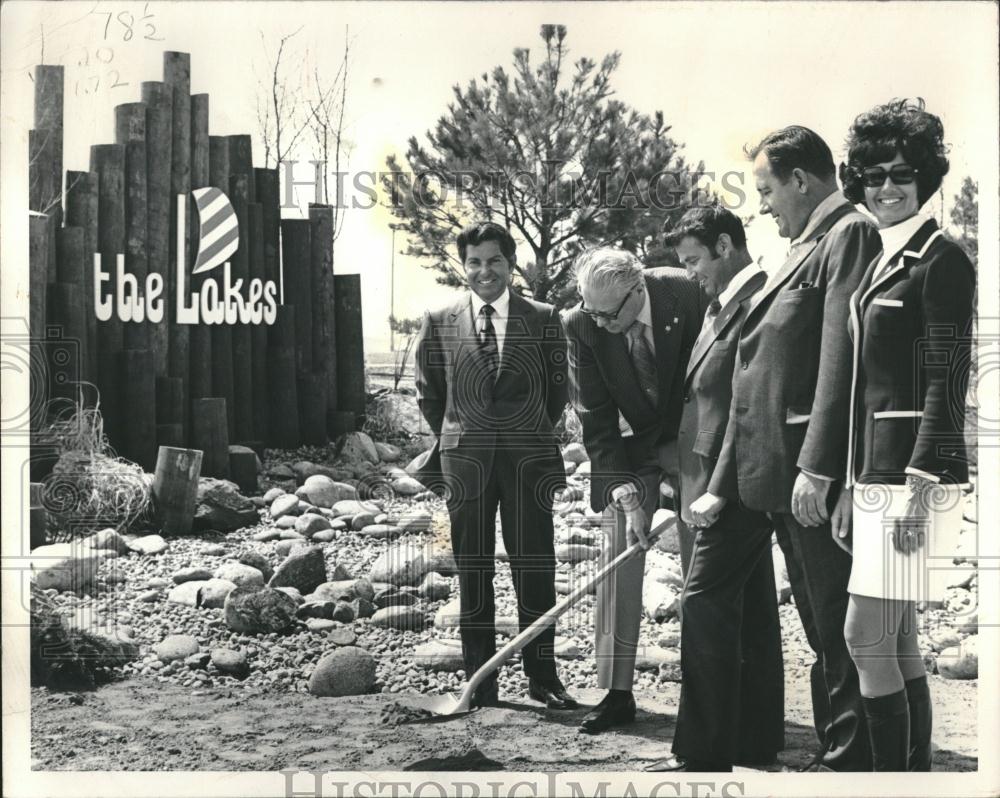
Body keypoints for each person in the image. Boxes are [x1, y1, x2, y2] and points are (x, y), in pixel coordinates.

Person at [703, 126, 882, 771]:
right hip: (771, 475)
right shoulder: (807, 243)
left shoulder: (848, 235)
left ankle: (849, 759)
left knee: (835, 620)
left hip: (805, 474)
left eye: (767, 190)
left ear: (800, 180)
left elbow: (841, 358)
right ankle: (838, 746)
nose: (763, 205)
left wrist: (818, 467)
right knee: (817, 618)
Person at [832, 99, 975, 771]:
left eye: (900, 174)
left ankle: (890, 783)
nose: (885, 188)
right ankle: (912, 778)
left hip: (910, 479)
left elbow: (948, 376)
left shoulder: (941, 258)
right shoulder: (885, 256)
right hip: (874, 476)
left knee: (864, 637)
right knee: (899, 639)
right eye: (871, 176)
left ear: (926, 177)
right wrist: (849, 486)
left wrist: (921, 484)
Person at [414, 221, 577, 710]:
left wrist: (522, 434)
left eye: (495, 261)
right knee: (474, 569)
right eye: (475, 262)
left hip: (528, 461)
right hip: (466, 463)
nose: (485, 271)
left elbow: (556, 394)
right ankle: (480, 682)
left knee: (536, 566)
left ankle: (543, 677)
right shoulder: (440, 318)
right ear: (464, 267)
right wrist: (465, 431)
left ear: (511, 265)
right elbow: (430, 394)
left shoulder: (544, 317)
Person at [644, 205, 784, 772]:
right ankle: (755, 741)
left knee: (702, 604)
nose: (692, 273)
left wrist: (719, 489)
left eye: (696, 260)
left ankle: (701, 754)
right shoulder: (721, 302)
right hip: (709, 478)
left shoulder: (759, 304)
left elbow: (751, 410)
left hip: (736, 484)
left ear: (726, 246)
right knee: (749, 608)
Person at [562, 247, 703, 734]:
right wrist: (627, 494)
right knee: (619, 554)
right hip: (630, 445)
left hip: (694, 436)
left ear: (637, 290)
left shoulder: (686, 290)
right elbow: (595, 419)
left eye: (608, 313)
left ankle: (705, 690)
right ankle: (616, 691)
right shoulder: (580, 322)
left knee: (703, 562)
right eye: (590, 311)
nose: (597, 323)